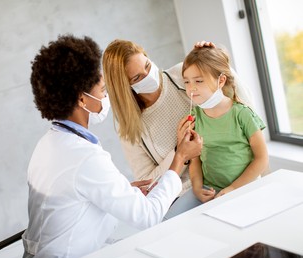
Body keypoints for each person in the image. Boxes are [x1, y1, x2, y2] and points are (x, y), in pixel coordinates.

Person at [22, 34, 203, 258]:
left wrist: (123, 191)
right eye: (102, 90)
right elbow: (148, 216)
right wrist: (180, 158)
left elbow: (76, 194)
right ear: (82, 99)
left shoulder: (49, 144)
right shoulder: (84, 157)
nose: (105, 96)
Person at [102, 40, 253, 217]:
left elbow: (243, 106)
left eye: (148, 66)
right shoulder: (130, 126)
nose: (148, 75)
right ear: (124, 87)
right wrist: (179, 152)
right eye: (137, 78)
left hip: (229, 172)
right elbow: (147, 184)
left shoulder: (183, 75)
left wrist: (217, 61)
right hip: (186, 196)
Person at [181, 45, 268, 204]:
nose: (191, 88)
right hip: (210, 191)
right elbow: (195, 159)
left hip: (245, 189)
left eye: (199, 81)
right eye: (186, 82)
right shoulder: (194, 118)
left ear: (221, 80)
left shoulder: (242, 114)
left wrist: (234, 188)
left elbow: (262, 158)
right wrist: (197, 187)